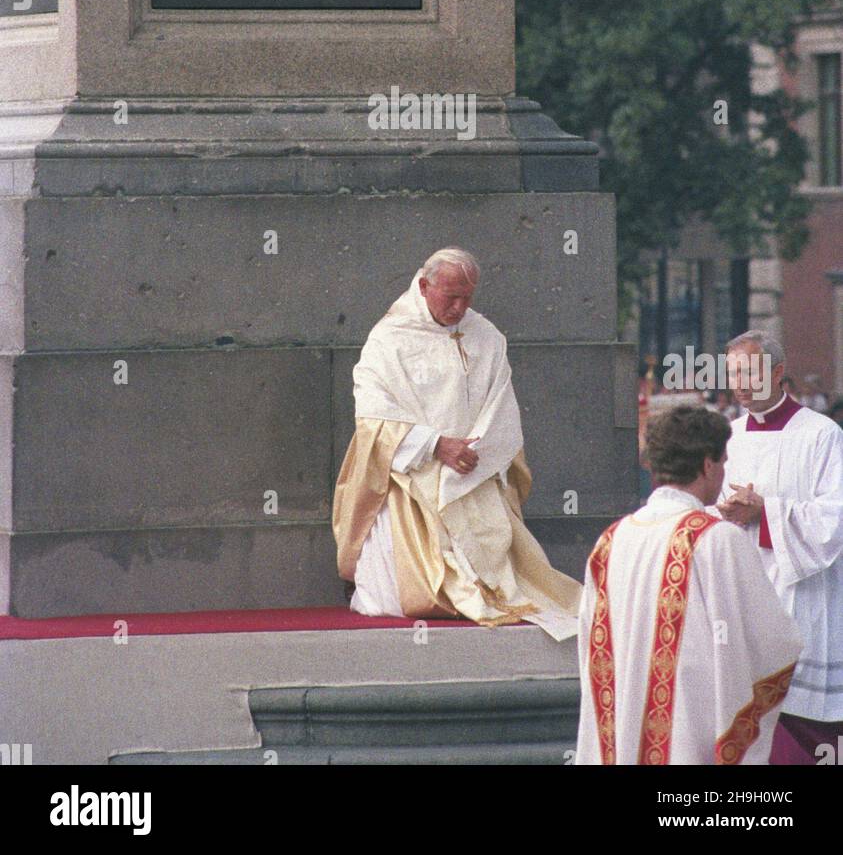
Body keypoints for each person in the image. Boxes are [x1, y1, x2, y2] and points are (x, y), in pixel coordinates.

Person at [331, 248, 582, 640]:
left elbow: (501, 402)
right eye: (450, 297)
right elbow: (373, 413)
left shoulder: (486, 336)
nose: (460, 307)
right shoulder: (389, 338)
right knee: (408, 597)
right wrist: (435, 445)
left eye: (467, 297)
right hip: (413, 474)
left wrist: (474, 451)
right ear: (424, 285)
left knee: (513, 582)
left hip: (472, 467)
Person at [576, 405, 802, 765]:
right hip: (686, 739)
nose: (724, 473)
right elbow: (771, 642)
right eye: (724, 463)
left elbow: (592, 650)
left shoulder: (609, 541)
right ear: (708, 465)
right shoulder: (716, 540)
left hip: (619, 735)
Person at [719, 330, 843, 765]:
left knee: (798, 735)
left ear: (776, 371)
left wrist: (766, 512)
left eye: (749, 371)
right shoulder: (726, 438)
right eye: (732, 373)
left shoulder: (821, 435)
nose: (739, 383)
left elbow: (835, 520)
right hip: (744, 599)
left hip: (804, 601)